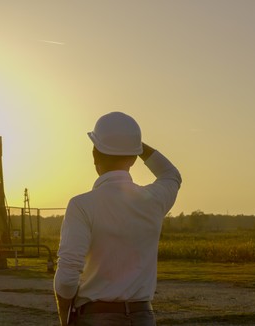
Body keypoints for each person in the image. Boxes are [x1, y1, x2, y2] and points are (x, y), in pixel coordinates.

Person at [54, 112, 182, 326]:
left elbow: (67, 279)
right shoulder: (154, 200)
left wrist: (64, 318)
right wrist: (133, 144)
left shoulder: (82, 205)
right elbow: (170, 174)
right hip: (143, 318)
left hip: (96, 317)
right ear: (133, 158)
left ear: (94, 155)